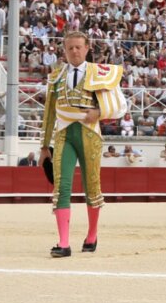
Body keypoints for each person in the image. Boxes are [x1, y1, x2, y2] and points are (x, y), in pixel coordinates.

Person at [40, 32, 128, 258]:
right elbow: (49, 112)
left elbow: (120, 106)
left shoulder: (100, 73)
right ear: (64, 49)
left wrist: (99, 112)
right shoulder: (56, 75)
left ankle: (92, 235)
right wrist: (43, 146)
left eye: (78, 47)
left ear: (87, 48)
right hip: (63, 134)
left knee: (92, 186)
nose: (74, 52)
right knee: (61, 186)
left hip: (89, 134)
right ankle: (64, 242)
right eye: (70, 48)